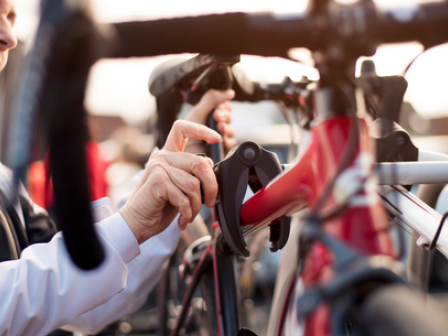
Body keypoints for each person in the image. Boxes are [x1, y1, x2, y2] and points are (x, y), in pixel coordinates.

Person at [0, 0, 236, 335]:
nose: (9, 37)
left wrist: (166, 183)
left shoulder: (5, 183)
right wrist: (130, 223)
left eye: (10, 16)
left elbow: (82, 300)